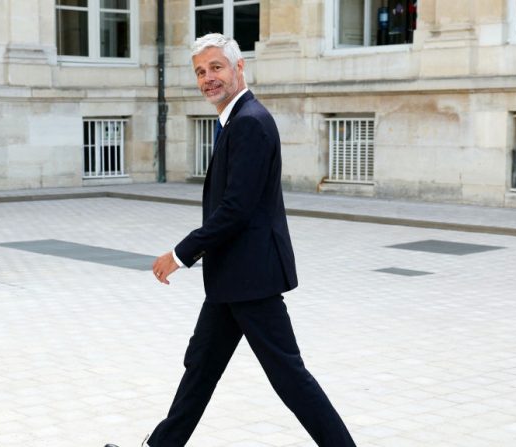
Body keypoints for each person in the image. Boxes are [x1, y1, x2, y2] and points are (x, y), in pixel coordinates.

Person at [107, 33, 356, 447]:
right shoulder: (235, 121)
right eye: (201, 72)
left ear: (240, 68)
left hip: (252, 278)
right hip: (232, 278)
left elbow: (236, 209)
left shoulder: (250, 124)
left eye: (216, 67)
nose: (208, 78)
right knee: (200, 368)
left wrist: (180, 254)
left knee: (289, 378)